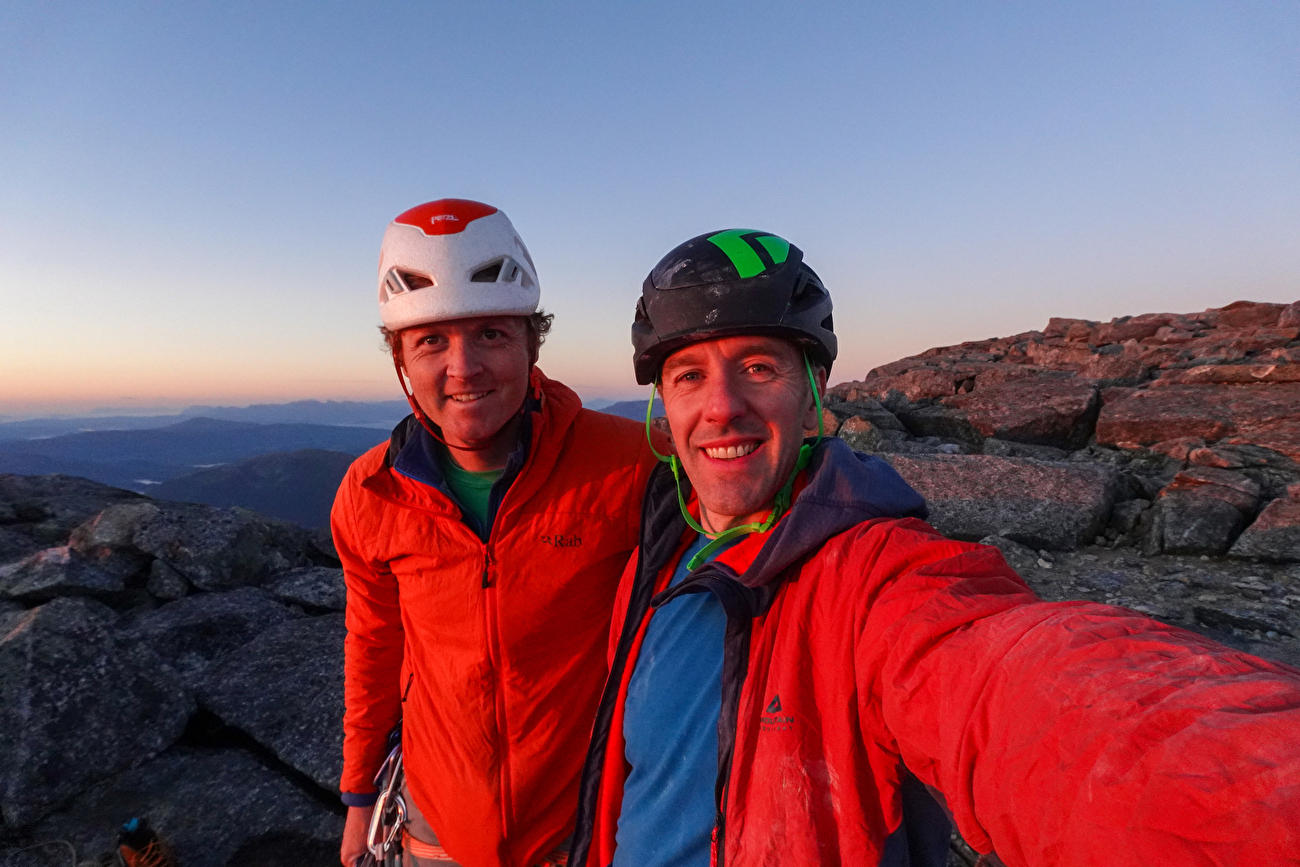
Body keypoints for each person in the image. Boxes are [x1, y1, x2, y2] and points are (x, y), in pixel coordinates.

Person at [569, 229, 1300, 867]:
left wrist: (1250, 788)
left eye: (759, 366)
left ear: (816, 393)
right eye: (690, 375)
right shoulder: (661, 554)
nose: (722, 404)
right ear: (666, 405)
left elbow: (1011, 684)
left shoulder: (871, 575)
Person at [333, 199, 663, 867]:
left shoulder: (633, 462)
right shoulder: (372, 494)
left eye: (490, 334)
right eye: (431, 339)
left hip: (588, 825)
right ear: (399, 357)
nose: (463, 367)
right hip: (437, 829)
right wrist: (360, 797)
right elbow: (375, 648)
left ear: (530, 343)